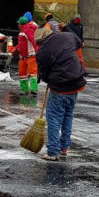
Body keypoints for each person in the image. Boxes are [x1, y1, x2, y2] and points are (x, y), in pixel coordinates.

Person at [35, 26, 87, 161]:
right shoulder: (67, 36)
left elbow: (43, 74)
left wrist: (48, 78)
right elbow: (79, 42)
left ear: (41, 41)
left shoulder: (42, 52)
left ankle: (52, 151)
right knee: (67, 115)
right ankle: (64, 147)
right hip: (76, 83)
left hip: (60, 86)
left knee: (53, 117)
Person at [16, 12, 39, 95]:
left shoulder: (27, 30)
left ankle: (33, 89)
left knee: (33, 73)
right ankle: (24, 89)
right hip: (23, 56)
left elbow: (33, 41)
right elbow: (21, 43)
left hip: (31, 56)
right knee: (22, 74)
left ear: (21, 24)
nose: (18, 25)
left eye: (18, 23)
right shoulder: (22, 31)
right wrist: (16, 48)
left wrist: (37, 51)